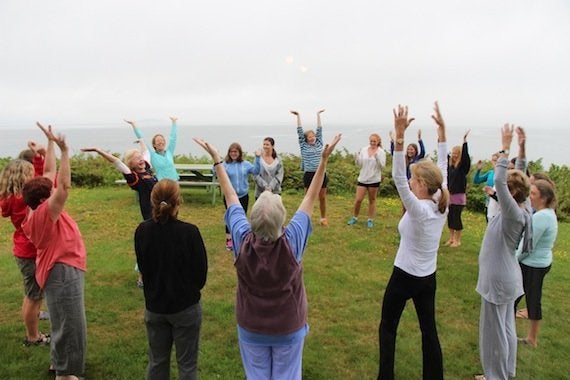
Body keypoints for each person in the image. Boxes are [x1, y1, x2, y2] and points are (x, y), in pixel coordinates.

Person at [193, 132, 341, 380]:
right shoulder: (292, 241)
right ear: (282, 220)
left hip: (251, 327)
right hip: (289, 327)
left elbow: (230, 197)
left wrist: (217, 160)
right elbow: (310, 197)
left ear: (252, 220)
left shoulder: (241, 238)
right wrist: (323, 161)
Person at [378, 103, 448, 380]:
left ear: (421, 185)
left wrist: (398, 137)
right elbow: (441, 166)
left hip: (404, 277)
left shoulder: (419, 210)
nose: (410, 181)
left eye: (414, 179)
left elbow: (397, 177)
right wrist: (442, 131)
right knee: (428, 331)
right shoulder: (440, 199)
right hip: (427, 279)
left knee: (388, 328)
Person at [22, 123, 87, 380]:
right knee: (70, 324)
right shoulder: (45, 214)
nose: (53, 190)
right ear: (43, 200)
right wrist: (65, 150)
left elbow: (49, 171)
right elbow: (64, 186)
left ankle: (59, 364)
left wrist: (48, 144)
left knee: (63, 321)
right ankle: (66, 374)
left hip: (59, 268)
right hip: (61, 271)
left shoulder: (35, 207)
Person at [135, 179, 208, 380]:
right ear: (179, 202)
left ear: (152, 202)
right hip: (186, 307)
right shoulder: (190, 232)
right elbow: (200, 274)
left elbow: (143, 267)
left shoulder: (142, 231)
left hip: (155, 306)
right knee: (187, 365)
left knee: (157, 362)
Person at [475, 125, 532, 380]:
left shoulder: (512, 214)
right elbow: (520, 177)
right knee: (507, 327)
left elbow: (499, 180)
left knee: (494, 333)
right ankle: (507, 371)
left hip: (498, 280)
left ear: (510, 193)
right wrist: (521, 148)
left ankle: (495, 376)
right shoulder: (523, 207)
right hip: (507, 277)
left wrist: (505, 148)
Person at [0, 159, 50, 346]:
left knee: (34, 294)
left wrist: (37, 158)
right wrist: (40, 158)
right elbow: (43, 180)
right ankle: (33, 337)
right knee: (33, 296)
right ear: (24, 177)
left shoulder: (10, 199)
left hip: (22, 249)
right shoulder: (25, 200)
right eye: (30, 173)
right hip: (30, 252)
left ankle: (35, 323)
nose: (33, 176)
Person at [514, 178, 558, 347]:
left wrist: (514, 260)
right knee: (522, 298)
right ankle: (518, 334)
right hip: (537, 263)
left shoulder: (542, 217)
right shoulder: (545, 214)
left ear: (544, 198)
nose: (530, 197)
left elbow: (528, 246)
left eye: (533, 194)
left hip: (534, 265)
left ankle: (531, 339)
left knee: (530, 300)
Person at [80, 142, 157, 221]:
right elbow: (117, 162)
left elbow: (146, 152)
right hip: (150, 211)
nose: (141, 159)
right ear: (131, 164)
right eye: (137, 158)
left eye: (140, 157)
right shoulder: (134, 177)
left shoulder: (148, 169)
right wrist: (98, 151)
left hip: (161, 203)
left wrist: (141, 141)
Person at [292, 109, 329, 226]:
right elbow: (299, 131)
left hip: (321, 173)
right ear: (306, 139)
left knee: (322, 197)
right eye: (309, 137)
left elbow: (320, 129)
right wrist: (298, 116)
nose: (312, 138)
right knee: (308, 199)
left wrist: (318, 115)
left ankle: (323, 218)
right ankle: (306, 220)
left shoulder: (319, 143)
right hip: (309, 174)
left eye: (313, 136)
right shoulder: (303, 146)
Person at [222, 142, 260, 250]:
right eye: (231, 152)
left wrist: (257, 157)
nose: (233, 154)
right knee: (230, 217)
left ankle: (241, 238)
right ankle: (229, 241)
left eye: (235, 151)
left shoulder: (246, 164)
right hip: (229, 197)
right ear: (229, 153)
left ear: (239, 153)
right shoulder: (225, 164)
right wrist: (215, 160)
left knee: (242, 217)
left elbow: (256, 171)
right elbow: (215, 171)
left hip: (243, 196)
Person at [346, 133, 387, 228]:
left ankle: (370, 220)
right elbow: (360, 164)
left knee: (372, 200)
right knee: (358, 200)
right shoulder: (364, 149)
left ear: (378, 142)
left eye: (374, 141)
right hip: (363, 178)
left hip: (374, 179)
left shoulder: (381, 152)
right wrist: (357, 158)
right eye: (371, 141)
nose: (372, 143)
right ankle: (354, 217)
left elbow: (382, 166)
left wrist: (377, 158)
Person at [444, 130, 471, 247]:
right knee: (450, 217)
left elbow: (466, 158)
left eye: (457, 153)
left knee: (456, 217)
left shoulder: (462, 167)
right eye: (453, 153)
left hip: (458, 196)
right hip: (449, 195)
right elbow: (443, 153)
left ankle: (457, 240)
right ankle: (451, 238)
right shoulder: (449, 166)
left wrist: (464, 142)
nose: (454, 155)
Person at [474, 153, 499, 222]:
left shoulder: (503, 174)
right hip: (488, 202)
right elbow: (476, 181)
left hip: (498, 203)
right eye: (493, 160)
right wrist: (478, 170)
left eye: (496, 160)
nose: (494, 162)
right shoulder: (490, 173)